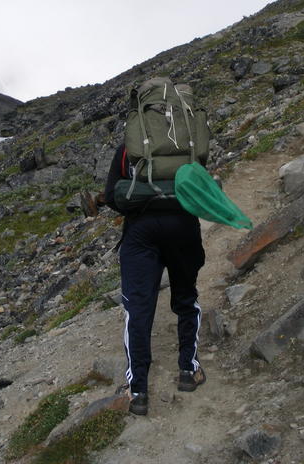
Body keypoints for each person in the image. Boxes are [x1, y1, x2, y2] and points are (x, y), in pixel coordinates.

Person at [104, 145, 207, 416]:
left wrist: (141, 202)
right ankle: (188, 370)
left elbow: (111, 196)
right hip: (183, 225)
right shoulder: (187, 140)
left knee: (138, 310)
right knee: (186, 297)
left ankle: (138, 391)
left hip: (140, 232)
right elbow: (200, 181)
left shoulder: (129, 147)